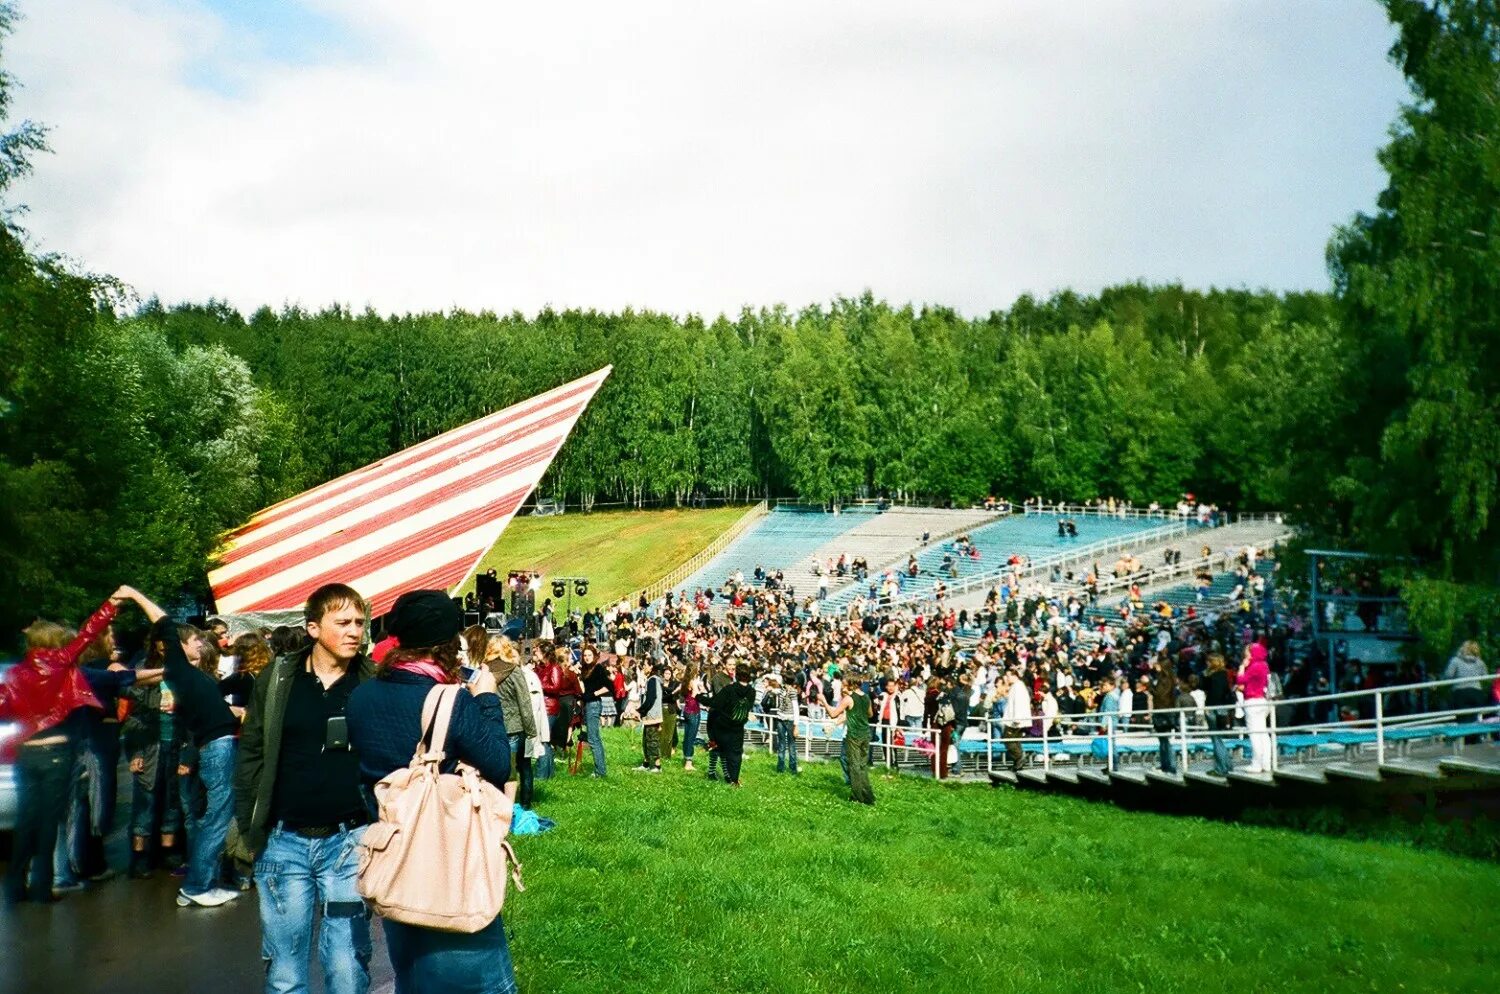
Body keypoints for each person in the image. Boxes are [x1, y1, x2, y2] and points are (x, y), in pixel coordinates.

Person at [346, 589, 516, 994]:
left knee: (414, 978)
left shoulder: (361, 695)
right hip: (445, 855)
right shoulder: (449, 699)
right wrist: (488, 698)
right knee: (484, 983)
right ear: (447, 645)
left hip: (395, 853)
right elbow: (497, 763)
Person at [235, 583, 375, 994]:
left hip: (350, 842)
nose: (355, 632)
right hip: (284, 844)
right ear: (313, 628)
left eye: (360, 623)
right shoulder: (277, 679)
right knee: (285, 973)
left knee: (347, 968)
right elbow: (252, 754)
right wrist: (250, 826)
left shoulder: (370, 681)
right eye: (343, 622)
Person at [114, 587, 241, 909]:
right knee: (215, 819)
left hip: (215, 744)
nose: (201, 642)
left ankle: (197, 885)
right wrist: (134, 595)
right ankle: (199, 885)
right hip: (218, 747)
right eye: (195, 640)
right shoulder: (180, 668)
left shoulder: (184, 673)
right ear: (179, 645)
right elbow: (164, 621)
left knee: (212, 818)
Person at [1, 591, 127, 904]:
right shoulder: (60, 664)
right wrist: (112, 603)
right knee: (49, 822)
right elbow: (89, 631)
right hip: (56, 752)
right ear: (55, 642)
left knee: (26, 821)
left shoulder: (15, 673)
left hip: (26, 753)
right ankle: (43, 887)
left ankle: (16, 886)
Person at [827, 672, 874, 805]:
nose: (843, 687)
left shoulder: (848, 698)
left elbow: (833, 714)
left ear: (852, 685)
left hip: (854, 736)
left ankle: (857, 797)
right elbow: (870, 714)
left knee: (854, 766)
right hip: (865, 734)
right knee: (862, 766)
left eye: (845, 684)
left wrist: (824, 701)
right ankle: (868, 797)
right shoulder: (866, 697)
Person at [706, 664, 755, 787]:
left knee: (724, 749)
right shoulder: (718, 679)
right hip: (721, 717)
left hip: (726, 720)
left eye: (734, 665)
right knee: (717, 747)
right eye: (730, 664)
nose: (731, 667)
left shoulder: (732, 686)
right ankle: (715, 772)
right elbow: (718, 698)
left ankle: (729, 775)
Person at [1237, 642, 1272, 774]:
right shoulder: (1264, 665)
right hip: (1262, 701)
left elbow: (1241, 680)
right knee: (1263, 733)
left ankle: (1256, 764)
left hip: (1252, 702)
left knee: (1254, 734)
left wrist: (1242, 667)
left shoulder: (1254, 666)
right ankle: (1267, 763)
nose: (1246, 654)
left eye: (1248, 651)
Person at [1202, 654, 1236, 776]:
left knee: (1216, 739)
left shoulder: (1215, 676)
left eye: (1208, 661)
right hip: (1223, 709)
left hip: (1214, 709)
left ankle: (1221, 768)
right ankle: (1227, 764)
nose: (1206, 663)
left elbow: (1214, 694)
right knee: (1219, 739)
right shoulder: (1225, 675)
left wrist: (1208, 708)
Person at [580, 649, 612, 777]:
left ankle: (600, 771)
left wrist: (593, 694)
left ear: (594, 656)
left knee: (593, 739)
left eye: (589, 655)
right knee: (593, 737)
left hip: (594, 704)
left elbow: (608, 686)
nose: (587, 657)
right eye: (585, 655)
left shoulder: (598, 668)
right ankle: (600, 769)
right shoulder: (585, 669)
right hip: (587, 704)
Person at [1151, 657, 1178, 774]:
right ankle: (1165, 765)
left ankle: (1170, 766)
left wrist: (1149, 686)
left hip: (1163, 711)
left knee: (1166, 740)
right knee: (1163, 740)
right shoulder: (1165, 678)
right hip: (1163, 710)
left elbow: (1160, 695)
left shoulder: (1165, 679)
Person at [635, 659, 664, 772]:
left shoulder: (653, 680)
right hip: (649, 716)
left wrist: (640, 711)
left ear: (651, 667)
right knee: (646, 741)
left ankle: (657, 766)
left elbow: (651, 699)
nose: (643, 668)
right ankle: (646, 763)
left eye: (645, 665)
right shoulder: (650, 680)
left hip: (653, 716)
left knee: (653, 741)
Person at [1003, 670, 1032, 772]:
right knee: (1015, 741)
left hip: (1016, 720)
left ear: (1014, 675)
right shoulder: (1017, 686)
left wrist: (1017, 718)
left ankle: (1019, 757)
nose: (1006, 678)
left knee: (1008, 739)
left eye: (1008, 675)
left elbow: (1019, 703)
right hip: (1015, 719)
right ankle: (1017, 763)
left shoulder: (1018, 687)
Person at [681, 663, 704, 772]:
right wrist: (700, 689)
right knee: (691, 737)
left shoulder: (685, 681)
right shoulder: (693, 681)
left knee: (687, 735)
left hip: (686, 709)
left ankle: (685, 756)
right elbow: (695, 694)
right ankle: (688, 762)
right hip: (694, 710)